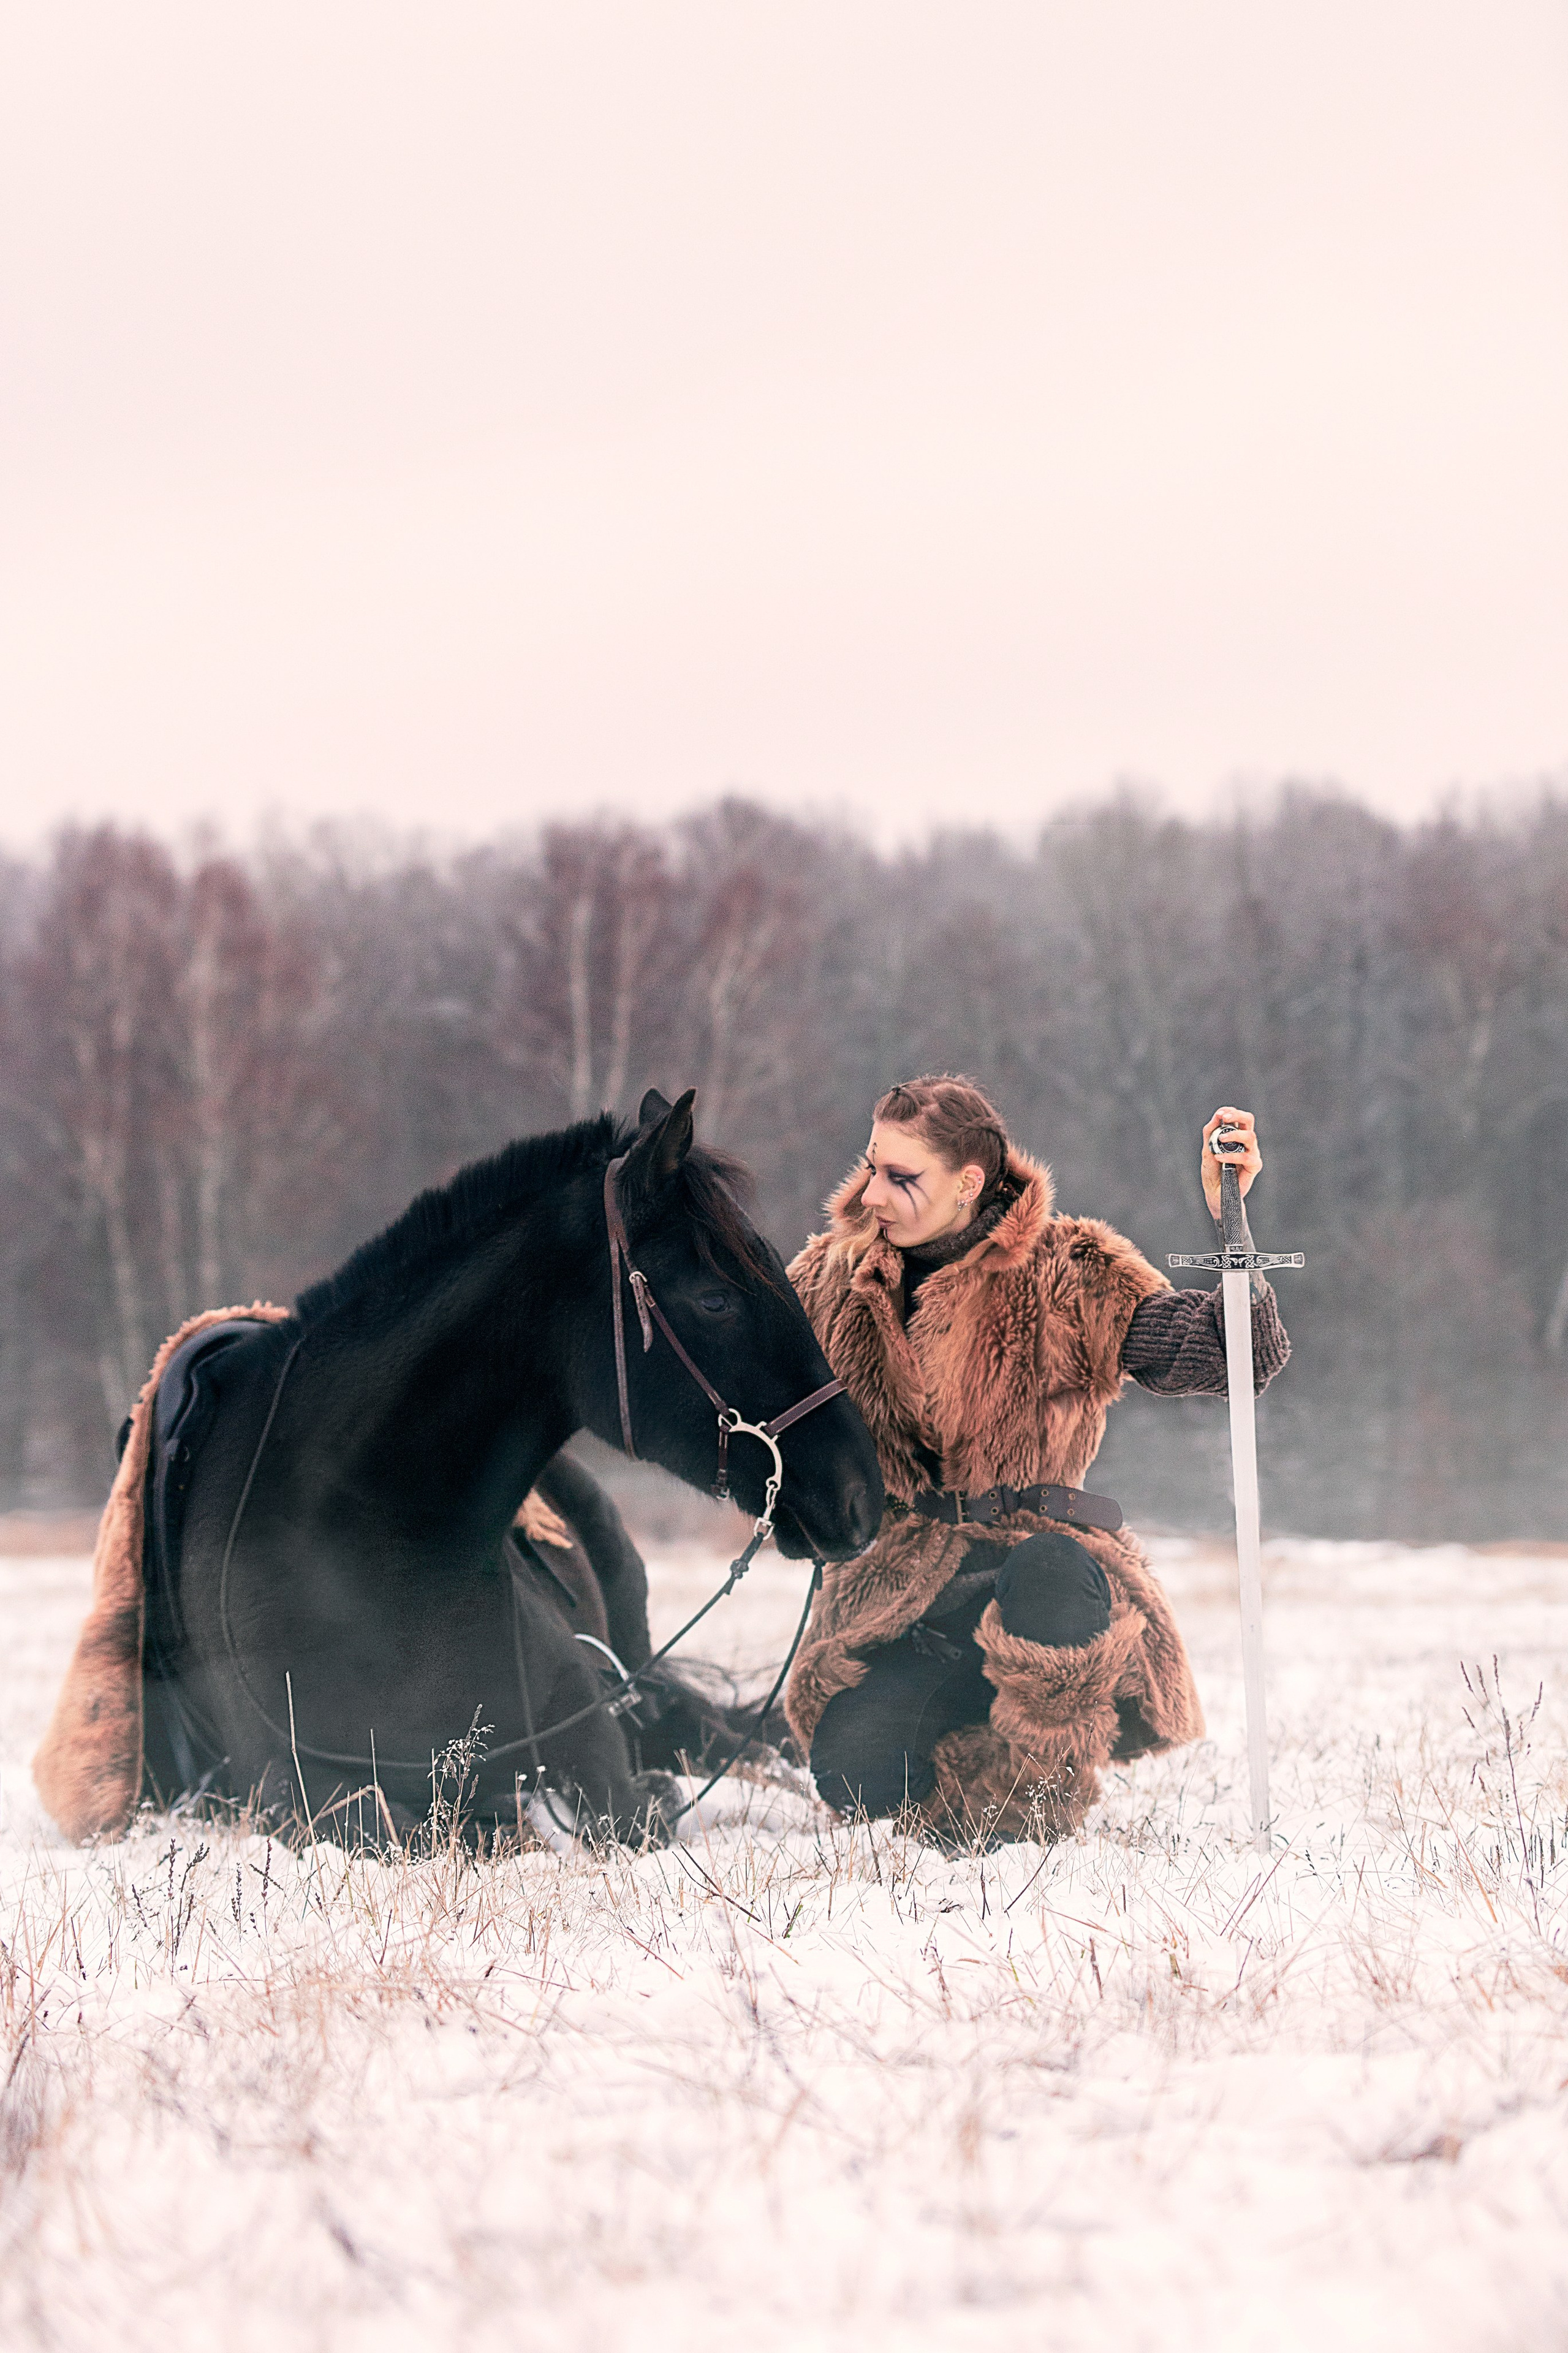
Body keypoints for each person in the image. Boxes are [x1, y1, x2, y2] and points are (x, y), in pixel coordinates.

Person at [784, 1076, 1290, 1843]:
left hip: (1047, 1584)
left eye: (901, 1176)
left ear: (969, 1183)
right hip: (903, 1594)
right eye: (873, 1166)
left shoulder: (1069, 1268)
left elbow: (1230, 1357)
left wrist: (1234, 1227)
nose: (874, 1194)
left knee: (1049, 1567)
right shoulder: (828, 1277)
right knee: (855, 1776)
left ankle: (1033, 1792)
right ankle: (965, 1753)